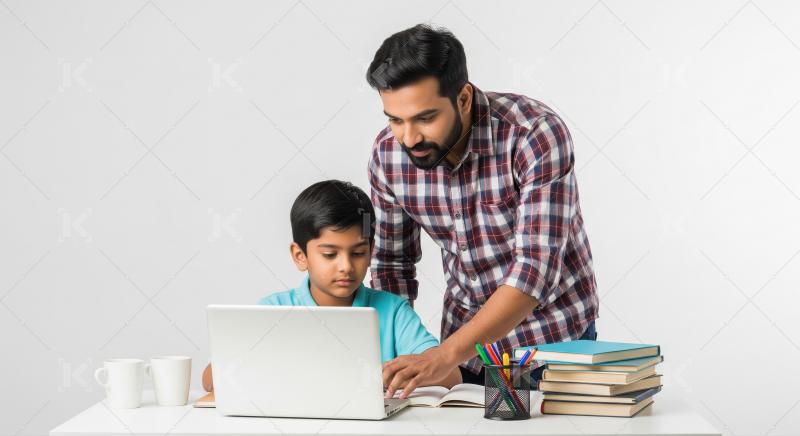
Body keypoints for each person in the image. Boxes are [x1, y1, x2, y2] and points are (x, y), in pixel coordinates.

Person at [365, 24, 599, 399]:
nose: (408, 138)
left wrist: (442, 354)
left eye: (425, 118)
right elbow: (392, 266)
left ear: (463, 98)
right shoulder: (388, 156)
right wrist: (399, 353)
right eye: (395, 119)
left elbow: (534, 272)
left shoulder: (534, 134)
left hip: (549, 346)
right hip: (464, 357)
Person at [202, 179, 462, 392]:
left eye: (358, 253)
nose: (346, 267)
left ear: (371, 250)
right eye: (329, 254)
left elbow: (451, 376)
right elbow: (211, 379)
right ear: (299, 256)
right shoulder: (274, 311)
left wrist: (392, 374)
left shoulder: (393, 312)